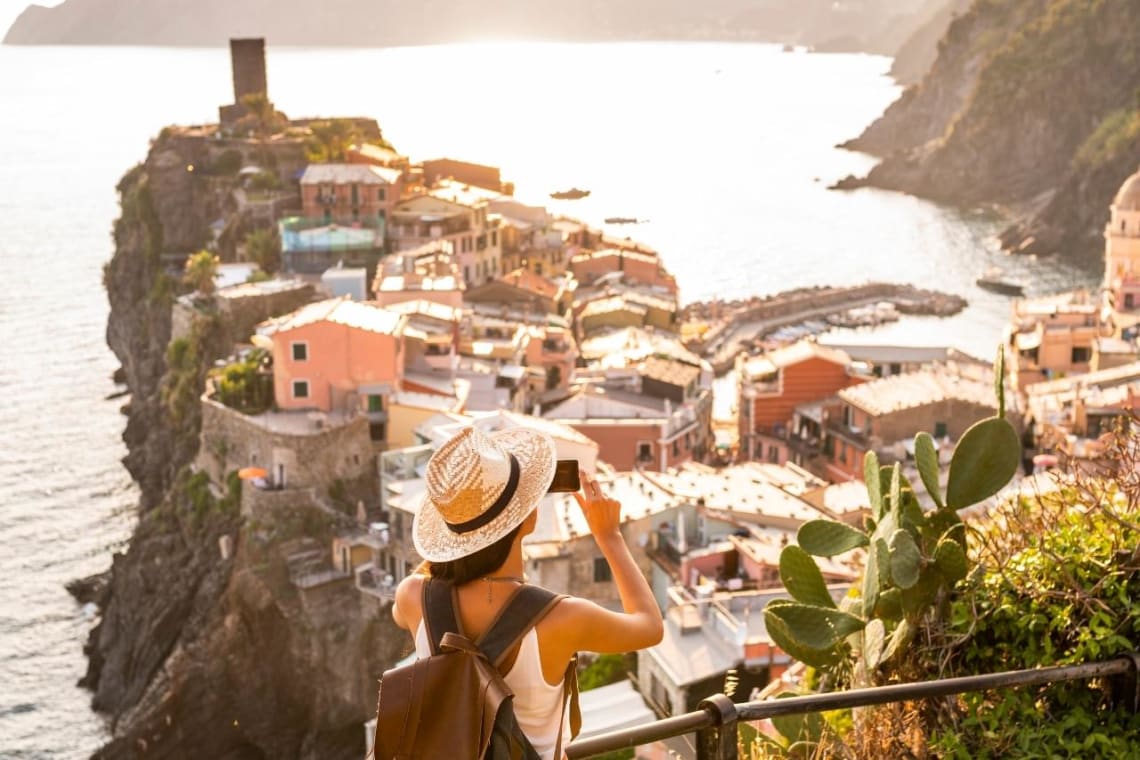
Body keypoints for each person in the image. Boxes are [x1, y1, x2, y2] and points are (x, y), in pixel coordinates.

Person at [392, 426, 664, 760]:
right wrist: (609, 536)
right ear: (527, 517)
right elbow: (650, 626)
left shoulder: (412, 596)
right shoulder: (563, 617)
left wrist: (451, 544)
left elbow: (419, 588)